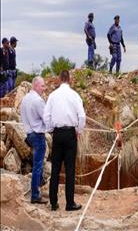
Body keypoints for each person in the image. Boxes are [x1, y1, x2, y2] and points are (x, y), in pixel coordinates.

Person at [44, 70, 86, 211]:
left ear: (60, 79)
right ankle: (69, 203)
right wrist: (78, 131)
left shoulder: (52, 96)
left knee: (55, 168)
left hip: (57, 134)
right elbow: (82, 116)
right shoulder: (74, 95)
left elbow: (46, 115)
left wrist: (51, 129)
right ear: (69, 79)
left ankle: (53, 202)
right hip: (70, 134)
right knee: (70, 169)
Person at [20, 76, 48, 204]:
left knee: (37, 163)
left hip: (29, 135)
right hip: (37, 135)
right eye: (42, 86)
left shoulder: (25, 99)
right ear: (36, 85)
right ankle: (35, 195)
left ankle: (40, 184)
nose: (44, 88)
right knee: (37, 165)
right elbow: (46, 119)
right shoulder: (38, 101)